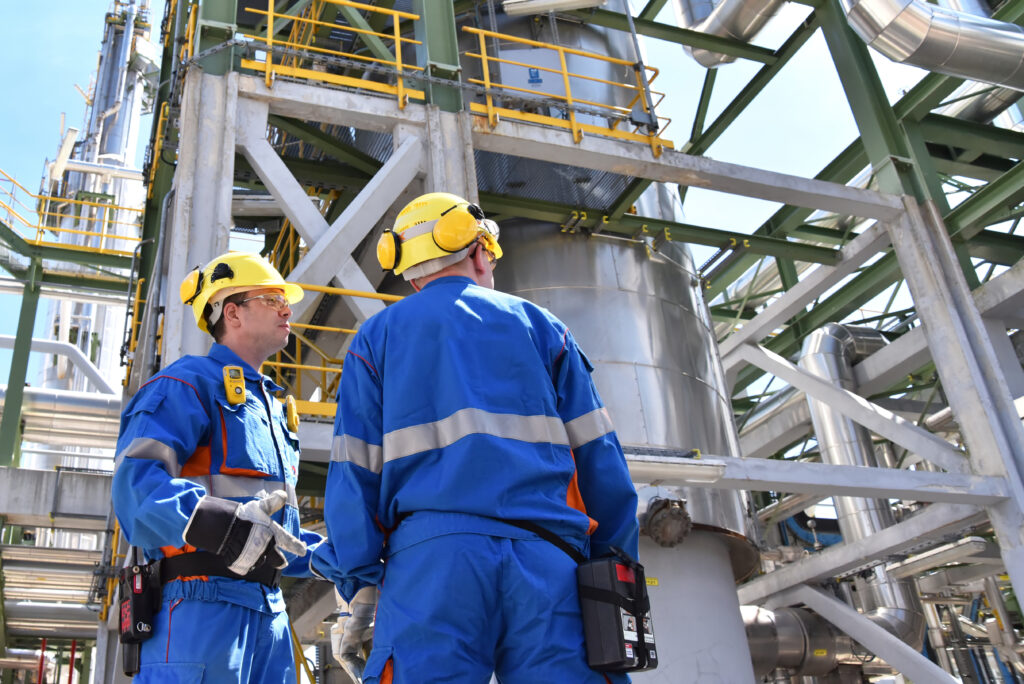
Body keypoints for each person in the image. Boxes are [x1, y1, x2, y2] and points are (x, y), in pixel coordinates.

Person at [312, 192, 640, 683]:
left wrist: (356, 580)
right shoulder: (543, 328)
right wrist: (615, 564)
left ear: (407, 269)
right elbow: (601, 462)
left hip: (431, 567)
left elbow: (354, 471)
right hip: (550, 564)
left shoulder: (376, 338)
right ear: (481, 252)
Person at [112, 251, 324, 683]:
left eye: (287, 301)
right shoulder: (186, 383)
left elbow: (280, 534)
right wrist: (221, 523)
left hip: (269, 611)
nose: (287, 309)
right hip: (198, 605)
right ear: (233, 312)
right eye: (271, 299)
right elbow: (135, 487)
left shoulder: (274, 407)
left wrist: (347, 560)